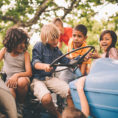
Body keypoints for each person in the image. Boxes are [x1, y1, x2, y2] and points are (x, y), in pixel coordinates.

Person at [31, 23, 74, 118]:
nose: (56, 41)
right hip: (38, 79)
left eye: (57, 38)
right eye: (53, 39)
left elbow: (67, 61)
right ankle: (58, 115)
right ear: (46, 38)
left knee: (70, 91)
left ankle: (71, 115)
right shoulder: (39, 46)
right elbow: (35, 63)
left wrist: (80, 58)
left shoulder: (56, 50)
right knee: (46, 98)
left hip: (50, 78)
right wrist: (44, 66)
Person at [0, 27, 32, 103]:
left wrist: (16, 75)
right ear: (12, 42)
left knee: (21, 82)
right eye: (20, 43)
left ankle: (21, 104)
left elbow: (29, 73)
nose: (23, 45)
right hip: (9, 80)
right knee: (10, 94)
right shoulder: (4, 51)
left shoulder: (25, 54)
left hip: (23, 78)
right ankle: (15, 109)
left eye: (24, 43)